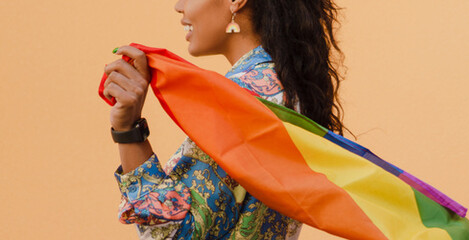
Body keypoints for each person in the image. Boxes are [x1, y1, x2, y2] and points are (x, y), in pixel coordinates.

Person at [100, 0, 346, 238]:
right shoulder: (286, 88)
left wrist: (128, 131)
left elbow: (173, 233)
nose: (179, 6)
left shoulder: (247, 96)